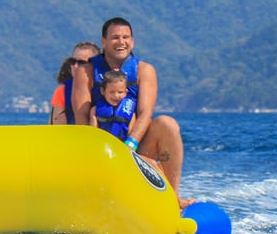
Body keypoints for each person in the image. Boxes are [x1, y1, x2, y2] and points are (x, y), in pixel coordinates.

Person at [70, 17, 190, 207]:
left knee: (167, 123)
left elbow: (145, 114)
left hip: (134, 146)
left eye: (126, 37)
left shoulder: (145, 70)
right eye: (115, 37)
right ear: (104, 42)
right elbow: (82, 117)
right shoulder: (86, 72)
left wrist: (129, 146)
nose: (121, 42)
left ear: (132, 41)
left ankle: (173, 199)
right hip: (99, 149)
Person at [49, 42, 101, 125]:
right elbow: (57, 129)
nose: (76, 66)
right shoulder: (62, 91)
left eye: (82, 62)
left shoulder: (109, 89)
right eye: (73, 61)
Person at [89, 70, 135, 139]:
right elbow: (93, 133)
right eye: (112, 92)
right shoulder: (94, 110)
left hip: (121, 146)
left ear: (126, 93)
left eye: (120, 92)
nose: (116, 96)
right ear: (103, 91)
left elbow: (131, 134)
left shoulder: (131, 113)